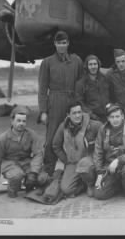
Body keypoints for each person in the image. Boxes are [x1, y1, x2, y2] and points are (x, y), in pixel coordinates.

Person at [38, 30, 83, 175]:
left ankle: (76, 168)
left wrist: (79, 102)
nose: (62, 46)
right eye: (59, 43)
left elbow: (81, 82)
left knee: (76, 134)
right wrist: (43, 111)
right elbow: (43, 88)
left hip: (72, 100)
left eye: (64, 43)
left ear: (68, 43)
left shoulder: (76, 61)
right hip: (55, 101)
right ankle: (48, 170)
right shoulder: (47, 62)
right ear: (55, 44)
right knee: (52, 137)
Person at [0, 106, 44, 198]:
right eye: (18, 121)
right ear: (12, 121)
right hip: (10, 164)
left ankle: (28, 185)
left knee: (41, 177)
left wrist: (33, 172)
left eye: (24, 121)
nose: (21, 124)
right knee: (17, 175)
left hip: (26, 162)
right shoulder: (3, 138)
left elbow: (38, 154)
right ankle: (12, 189)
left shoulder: (31, 134)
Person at [52, 101, 102, 198]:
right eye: (74, 113)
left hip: (89, 161)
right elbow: (56, 145)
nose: (78, 115)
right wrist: (66, 160)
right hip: (74, 162)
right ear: (68, 115)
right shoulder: (63, 127)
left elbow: (105, 140)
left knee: (85, 165)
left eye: (79, 112)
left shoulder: (94, 125)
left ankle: (90, 184)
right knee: (66, 189)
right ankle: (82, 184)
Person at [93, 103, 125, 200]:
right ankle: (117, 185)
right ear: (108, 118)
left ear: (122, 116)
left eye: (117, 116)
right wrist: (99, 173)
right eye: (112, 117)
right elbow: (98, 152)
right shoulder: (103, 130)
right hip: (110, 166)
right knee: (99, 194)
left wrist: (119, 160)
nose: (115, 119)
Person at [75, 54, 110, 123]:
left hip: (107, 115)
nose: (93, 67)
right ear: (87, 66)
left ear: (98, 65)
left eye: (95, 64)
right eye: (90, 64)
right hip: (91, 118)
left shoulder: (105, 79)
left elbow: (111, 96)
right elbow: (79, 102)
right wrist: (90, 114)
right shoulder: (81, 83)